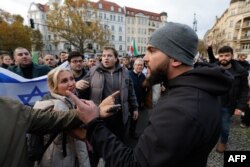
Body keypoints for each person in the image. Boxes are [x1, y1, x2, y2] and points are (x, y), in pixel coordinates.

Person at [67, 22, 233, 167]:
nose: (144, 58)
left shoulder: (180, 109)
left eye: (152, 51)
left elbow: (134, 164)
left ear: (175, 59)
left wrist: (93, 124)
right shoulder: (195, 90)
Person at [76, 46, 138, 141]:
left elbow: (131, 91)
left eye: (109, 55)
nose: (106, 58)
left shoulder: (125, 71)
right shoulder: (93, 71)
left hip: (120, 116)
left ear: (116, 58)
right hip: (100, 115)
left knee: (119, 142)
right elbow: (81, 88)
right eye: (104, 55)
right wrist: (77, 84)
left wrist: (134, 108)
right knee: (102, 143)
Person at [33, 68, 90, 167]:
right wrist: (98, 111)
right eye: (64, 81)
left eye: (72, 79)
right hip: (55, 158)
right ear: (53, 86)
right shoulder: (51, 106)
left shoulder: (69, 100)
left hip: (70, 155)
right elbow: (80, 134)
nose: (71, 83)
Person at [207, 44, 249, 153]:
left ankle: (223, 142)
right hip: (212, 103)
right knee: (211, 124)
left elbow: (244, 90)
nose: (224, 58)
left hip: (228, 105)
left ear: (232, 56)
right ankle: (210, 139)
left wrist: (240, 107)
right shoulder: (213, 68)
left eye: (227, 55)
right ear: (218, 57)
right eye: (221, 56)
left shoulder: (241, 72)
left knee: (225, 127)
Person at [129, 58, 146, 139]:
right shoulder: (128, 75)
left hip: (138, 102)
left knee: (135, 119)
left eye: (141, 65)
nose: (139, 66)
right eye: (138, 65)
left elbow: (143, 90)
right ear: (134, 66)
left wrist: (143, 100)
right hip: (128, 102)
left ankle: (132, 133)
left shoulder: (143, 76)